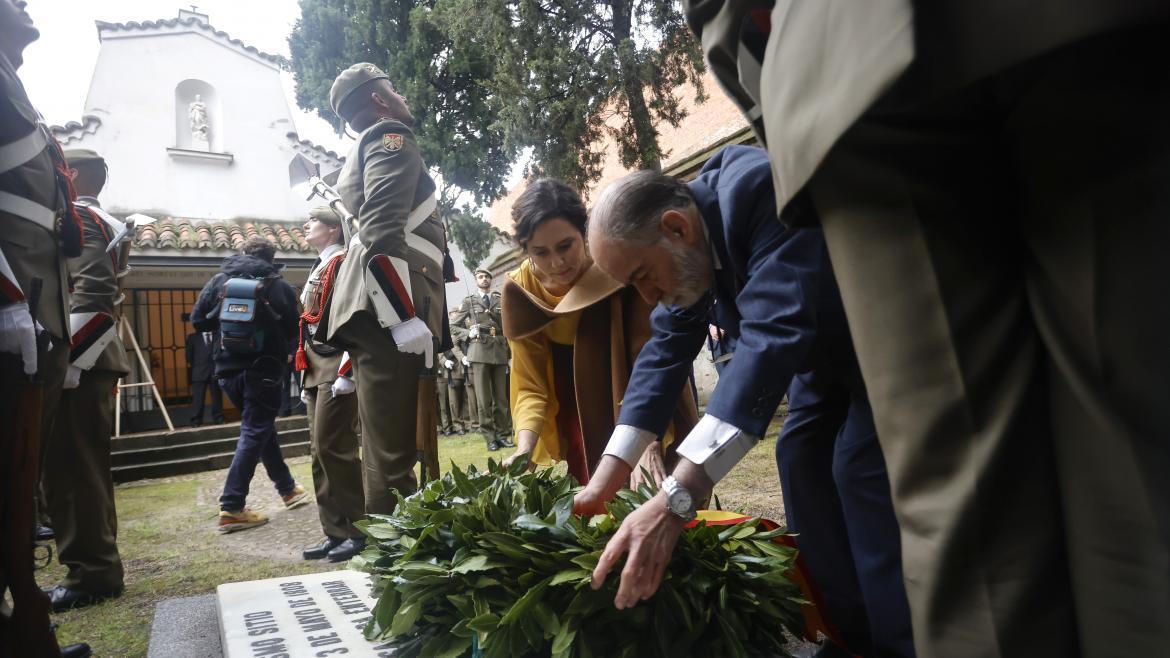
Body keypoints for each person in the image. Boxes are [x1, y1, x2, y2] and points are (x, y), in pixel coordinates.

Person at [682, 2, 1170, 655]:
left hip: (850, 66)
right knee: (1135, 430)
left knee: (963, 492)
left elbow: (774, 329)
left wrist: (789, 97)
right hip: (1064, 28)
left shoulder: (742, 194)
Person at [573, 148, 913, 657]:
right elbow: (663, 354)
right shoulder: (686, 250)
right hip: (827, 364)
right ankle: (850, 637)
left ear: (675, 227)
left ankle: (902, 642)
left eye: (643, 276)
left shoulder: (758, 193)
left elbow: (771, 338)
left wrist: (677, 499)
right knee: (799, 458)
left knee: (858, 470)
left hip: (890, 341)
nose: (646, 297)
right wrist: (605, 478)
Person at [0, 1, 94, 654]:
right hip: (16, 307)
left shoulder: (11, 80)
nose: (25, 3)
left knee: (17, 476)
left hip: (37, 311)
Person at [501, 178, 698, 486]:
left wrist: (647, 438)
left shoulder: (614, 266)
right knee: (589, 480)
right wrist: (524, 448)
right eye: (540, 252)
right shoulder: (520, 290)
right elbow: (531, 386)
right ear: (525, 250)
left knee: (650, 482)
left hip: (628, 385)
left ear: (584, 232)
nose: (557, 262)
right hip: (570, 401)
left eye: (566, 245)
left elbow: (646, 354)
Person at [321, 62, 448, 515]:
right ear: (379, 99)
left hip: (374, 306)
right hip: (390, 306)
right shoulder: (390, 136)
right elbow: (379, 229)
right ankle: (397, 565)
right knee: (395, 453)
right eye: (395, 89)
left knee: (383, 446)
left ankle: (387, 557)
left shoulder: (361, 150)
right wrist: (401, 314)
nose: (403, 98)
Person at [40, 149, 130, 614]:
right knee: (80, 470)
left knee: (73, 471)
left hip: (79, 357)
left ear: (70, 175)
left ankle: (92, 572)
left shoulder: (78, 215)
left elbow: (94, 289)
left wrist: (70, 364)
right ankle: (94, 565)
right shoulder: (95, 218)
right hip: (88, 354)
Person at [191, 236, 308, 533]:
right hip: (264, 371)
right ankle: (232, 507)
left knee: (260, 427)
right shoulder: (277, 285)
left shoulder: (220, 280)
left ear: (242, 252)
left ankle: (287, 488)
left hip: (226, 371)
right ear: (272, 258)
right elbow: (293, 327)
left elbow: (198, 321)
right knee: (255, 429)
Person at [294, 205, 365, 562]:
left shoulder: (341, 263)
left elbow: (353, 317)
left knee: (334, 448)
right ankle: (335, 531)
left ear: (334, 230)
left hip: (335, 364)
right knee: (319, 453)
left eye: (315, 221)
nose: (306, 225)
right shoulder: (321, 265)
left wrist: (347, 370)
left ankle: (359, 529)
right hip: (314, 367)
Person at [453, 268, 513, 451]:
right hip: (478, 351)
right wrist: (468, 332)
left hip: (499, 349)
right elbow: (453, 326)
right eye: (481, 276)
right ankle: (490, 438)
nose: (484, 279)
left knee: (501, 398)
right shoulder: (469, 301)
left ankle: (503, 434)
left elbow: (508, 326)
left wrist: (510, 354)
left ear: (491, 279)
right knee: (483, 398)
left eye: (487, 276)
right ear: (476, 280)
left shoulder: (499, 299)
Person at [185, 320, 224, 426]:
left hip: (215, 371)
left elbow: (222, 352)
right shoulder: (192, 337)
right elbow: (189, 357)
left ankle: (218, 418)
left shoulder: (218, 335)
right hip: (198, 372)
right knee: (198, 398)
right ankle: (196, 420)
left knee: (216, 397)